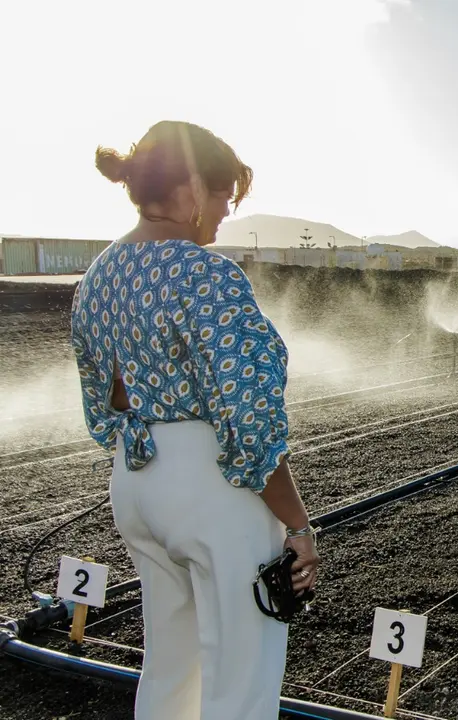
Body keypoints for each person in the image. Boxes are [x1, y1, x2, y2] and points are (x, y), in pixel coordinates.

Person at [69, 120, 319, 720]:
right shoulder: (206, 275)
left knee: (170, 666)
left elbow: (104, 401)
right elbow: (249, 416)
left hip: (134, 482)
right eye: (220, 199)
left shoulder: (96, 277)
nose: (220, 216)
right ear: (186, 189)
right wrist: (297, 522)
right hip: (210, 487)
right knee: (241, 676)